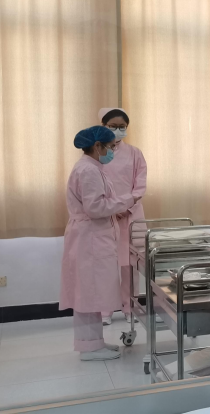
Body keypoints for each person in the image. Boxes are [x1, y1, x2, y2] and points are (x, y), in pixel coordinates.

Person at [60, 126, 138, 361]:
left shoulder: (93, 167)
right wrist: (127, 201)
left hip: (92, 236)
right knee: (88, 293)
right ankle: (89, 348)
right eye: (111, 146)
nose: (113, 151)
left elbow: (99, 202)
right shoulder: (88, 170)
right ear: (97, 146)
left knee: (91, 293)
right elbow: (95, 208)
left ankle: (94, 342)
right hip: (90, 238)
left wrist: (117, 204)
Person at [98, 108, 148, 326]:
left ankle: (130, 308)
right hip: (105, 215)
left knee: (130, 264)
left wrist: (125, 205)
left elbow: (140, 185)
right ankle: (105, 311)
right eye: (113, 126)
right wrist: (110, 208)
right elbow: (93, 184)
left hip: (131, 214)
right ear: (103, 126)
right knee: (106, 264)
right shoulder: (96, 153)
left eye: (122, 127)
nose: (118, 130)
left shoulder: (135, 153)